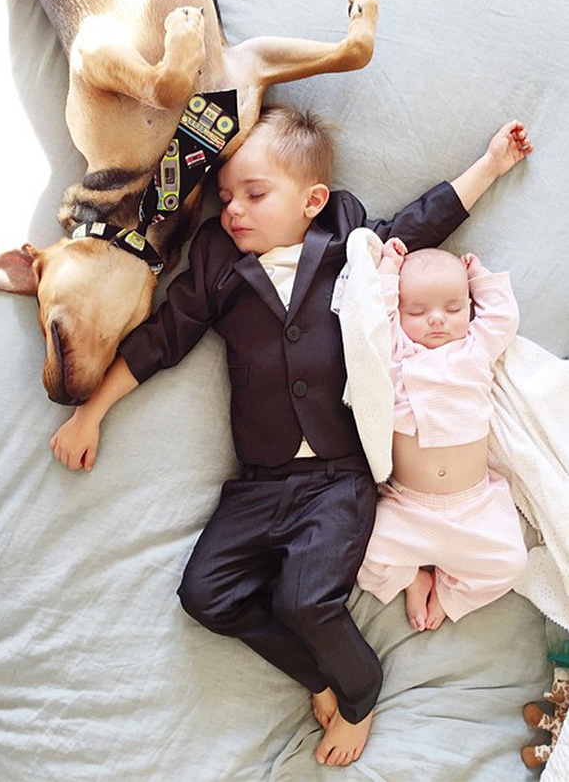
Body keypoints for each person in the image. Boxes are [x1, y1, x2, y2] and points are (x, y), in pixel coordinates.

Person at [49, 106, 532, 766]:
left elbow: (420, 223)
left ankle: (360, 690)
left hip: (338, 477)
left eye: (254, 194)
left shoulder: (347, 241)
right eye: (225, 197)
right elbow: (166, 335)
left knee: (304, 599)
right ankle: (318, 674)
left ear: (312, 201)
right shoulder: (218, 259)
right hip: (259, 482)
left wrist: (491, 165)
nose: (232, 210)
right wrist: (92, 411)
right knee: (204, 594)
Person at [357, 241, 529, 632]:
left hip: (474, 505)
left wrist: (479, 277)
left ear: (469, 307)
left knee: (511, 563)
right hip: (409, 505)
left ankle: (450, 595)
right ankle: (412, 579)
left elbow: (502, 317)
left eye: (452, 309)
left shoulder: (475, 349)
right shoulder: (397, 353)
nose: (437, 320)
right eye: (418, 312)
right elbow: (375, 317)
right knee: (359, 554)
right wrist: (389, 268)